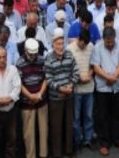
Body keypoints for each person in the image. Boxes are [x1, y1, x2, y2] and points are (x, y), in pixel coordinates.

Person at [92, 27, 119, 155]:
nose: (110, 44)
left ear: (114, 38)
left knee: (117, 114)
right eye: (107, 41)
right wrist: (107, 77)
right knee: (103, 116)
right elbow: (96, 66)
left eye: (111, 41)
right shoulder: (97, 46)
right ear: (103, 39)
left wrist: (113, 76)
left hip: (116, 86)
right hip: (102, 86)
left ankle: (118, 140)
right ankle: (104, 143)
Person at [44, 28, 78, 158]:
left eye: (61, 43)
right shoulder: (48, 58)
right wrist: (60, 89)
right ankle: (57, 153)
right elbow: (48, 79)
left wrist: (70, 85)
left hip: (69, 95)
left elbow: (75, 72)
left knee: (69, 125)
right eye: (57, 44)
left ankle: (69, 150)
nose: (60, 46)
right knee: (56, 127)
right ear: (53, 45)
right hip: (55, 98)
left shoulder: (69, 54)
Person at [17, 38, 48, 158]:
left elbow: (46, 78)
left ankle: (43, 155)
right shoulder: (19, 62)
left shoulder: (41, 60)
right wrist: (30, 96)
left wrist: (40, 94)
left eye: (34, 54)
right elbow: (19, 83)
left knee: (44, 132)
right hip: (26, 103)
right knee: (28, 134)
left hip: (41, 100)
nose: (32, 57)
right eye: (30, 54)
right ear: (25, 51)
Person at [0, 46, 20, 158]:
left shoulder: (13, 70)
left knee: (12, 139)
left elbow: (17, 87)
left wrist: (9, 98)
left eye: (4, 57)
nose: (2, 59)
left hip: (11, 110)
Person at [68, 29, 95, 150]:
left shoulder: (91, 46)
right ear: (79, 39)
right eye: (83, 44)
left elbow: (94, 64)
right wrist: (79, 78)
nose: (84, 46)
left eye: (86, 44)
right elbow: (68, 68)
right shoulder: (70, 49)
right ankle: (77, 140)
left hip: (89, 87)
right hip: (77, 88)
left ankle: (88, 139)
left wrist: (89, 74)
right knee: (76, 117)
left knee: (89, 116)